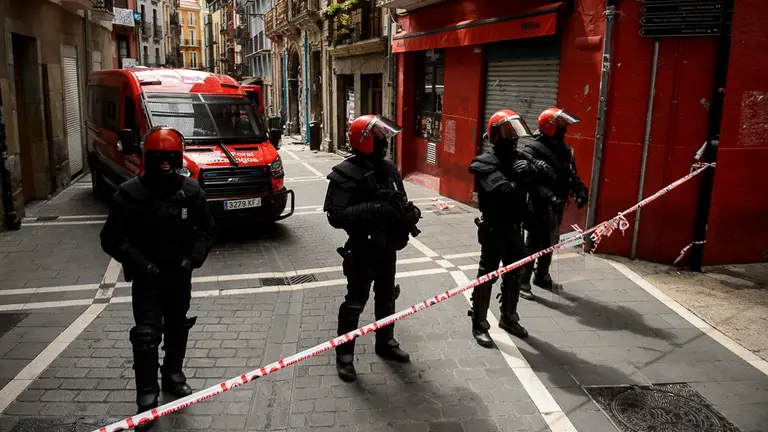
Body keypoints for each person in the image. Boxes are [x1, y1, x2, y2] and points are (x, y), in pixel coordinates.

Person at [100, 127, 215, 430]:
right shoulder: (130, 193)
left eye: (170, 157)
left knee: (178, 324)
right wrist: (142, 265)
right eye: (158, 158)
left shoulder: (190, 192)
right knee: (147, 335)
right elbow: (112, 238)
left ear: (178, 157)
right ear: (147, 158)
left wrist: (192, 260)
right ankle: (146, 395)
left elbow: (206, 231)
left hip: (179, 273)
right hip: (147, 276)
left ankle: (174, 374)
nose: (165, 164)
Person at [324, 114, 422, 382]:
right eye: (380, 138)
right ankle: (344, 356)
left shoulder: (388, 169)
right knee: (355, 303)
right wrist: (375, 208)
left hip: (387, 247)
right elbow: (335, 215)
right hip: (362, 249)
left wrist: (410, 213)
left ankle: (385, 341)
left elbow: (400, 199)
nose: (385, 143)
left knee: (387, 296)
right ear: (366, 141)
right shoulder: (346, 173)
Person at [468, 109, 556, 347]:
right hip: (494, 229)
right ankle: (479, 323)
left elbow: (549, 177)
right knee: (487, 276)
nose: (514, 137)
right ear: (496, 136)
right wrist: (525, 178)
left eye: (515, 132)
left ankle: (509, 317)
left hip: (516, 228)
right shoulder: (484, 163)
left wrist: (533, 169)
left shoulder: (521, 159)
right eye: (508, 132)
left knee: (514, 274)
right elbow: (506, 193)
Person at [519, 108, 589, 299]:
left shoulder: (564, 149)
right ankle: (522, 282)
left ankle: (541, 275)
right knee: (533, 243)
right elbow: (531, 181)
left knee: (550, 241)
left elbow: (570, 174)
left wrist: (581, 190)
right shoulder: (532, 149)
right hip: (538, 204)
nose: (564, 129)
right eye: (561, 126)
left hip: (558, 205)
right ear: (550, 127)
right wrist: (550, 197)